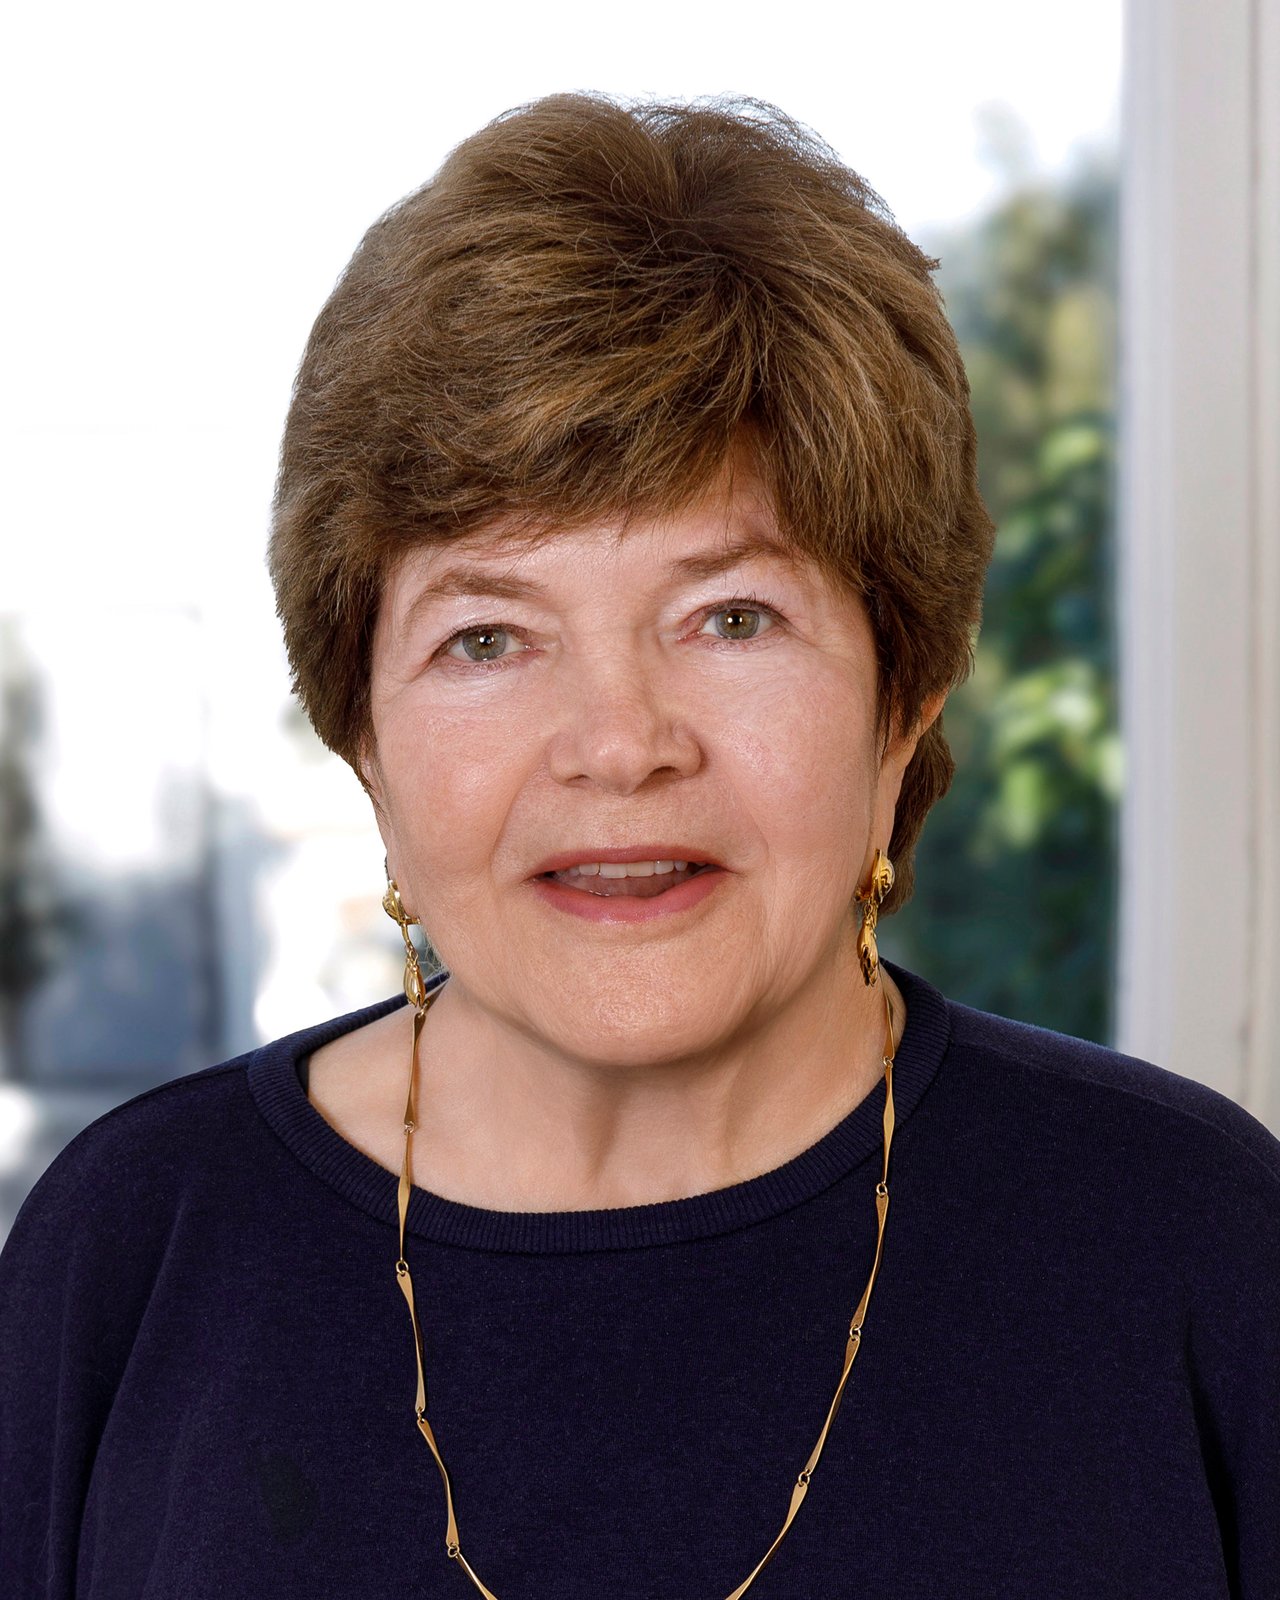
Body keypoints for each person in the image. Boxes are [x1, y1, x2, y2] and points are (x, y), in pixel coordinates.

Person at [1, 91, 1277, 1600]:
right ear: (363, 737)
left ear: (904, 698)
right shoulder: (134, 1250)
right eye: (488, 637)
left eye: (731, 617)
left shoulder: (1194, 1239)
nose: (621, 743)